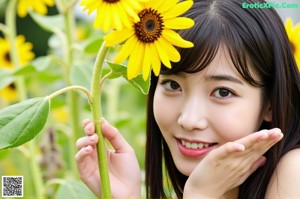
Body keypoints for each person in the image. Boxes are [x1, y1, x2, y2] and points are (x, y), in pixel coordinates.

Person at [75, 0, 300, 198]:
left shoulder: (293, 172)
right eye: (173, 85)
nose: (189, 120)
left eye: (222, 92)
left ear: (269, 102)